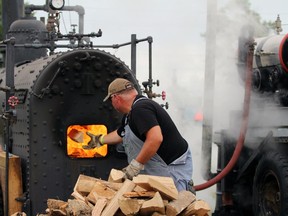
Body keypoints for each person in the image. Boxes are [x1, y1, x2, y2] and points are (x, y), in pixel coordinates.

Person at [98, 78, 193, 192]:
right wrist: (99, 140)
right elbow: (121, 134)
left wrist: (135, 166)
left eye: (111, 100)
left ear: (116, 98)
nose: (112, 104)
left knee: (175, 207)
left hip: (170, 171)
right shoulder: (131, 114)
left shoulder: (141, 109)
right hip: (158, 172)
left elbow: (155, 138)